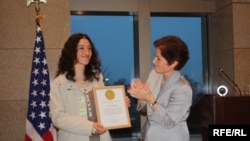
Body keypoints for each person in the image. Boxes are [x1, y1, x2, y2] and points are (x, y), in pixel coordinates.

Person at [49, 33, 130, 141]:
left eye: (89, 48)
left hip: (101, 137)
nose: (87, 52)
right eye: (81, 48)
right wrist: (89, 127)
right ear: (71, 52)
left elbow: (104, 106)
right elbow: (58, 118)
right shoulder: (58, 83)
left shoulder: (97, 78)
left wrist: (119, 104)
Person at [127, 35, 192, 141]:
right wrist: (141, 95)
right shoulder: (154, 75)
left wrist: (150, 99)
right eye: (155, 56)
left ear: (174, 63)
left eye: (159, 58)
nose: (153, 61)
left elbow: (168, 121)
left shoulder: (183, 88)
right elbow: (145, 108)